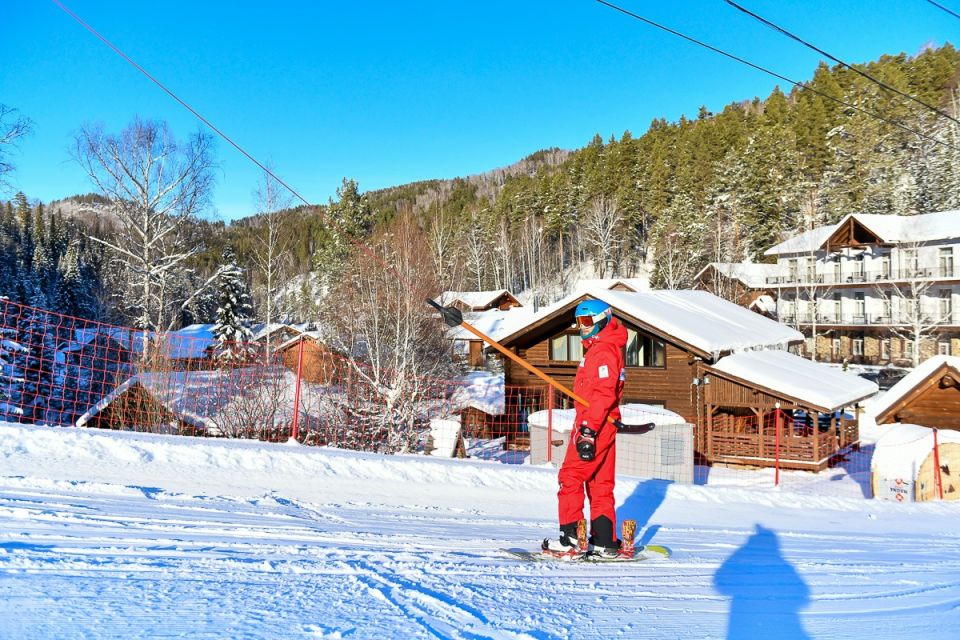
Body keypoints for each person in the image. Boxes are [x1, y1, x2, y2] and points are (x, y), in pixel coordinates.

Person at [543, 299, 626, 558]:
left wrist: (588, 429)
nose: (582, 327)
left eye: (587, 321)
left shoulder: (603, 351)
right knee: (600, 484)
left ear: (602, 320)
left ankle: (569, 539)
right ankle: (604, 540)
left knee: (570, 477)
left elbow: (603, 394)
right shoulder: (602, 348)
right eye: (579, 322)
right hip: (603, 423)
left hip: (595, 424)